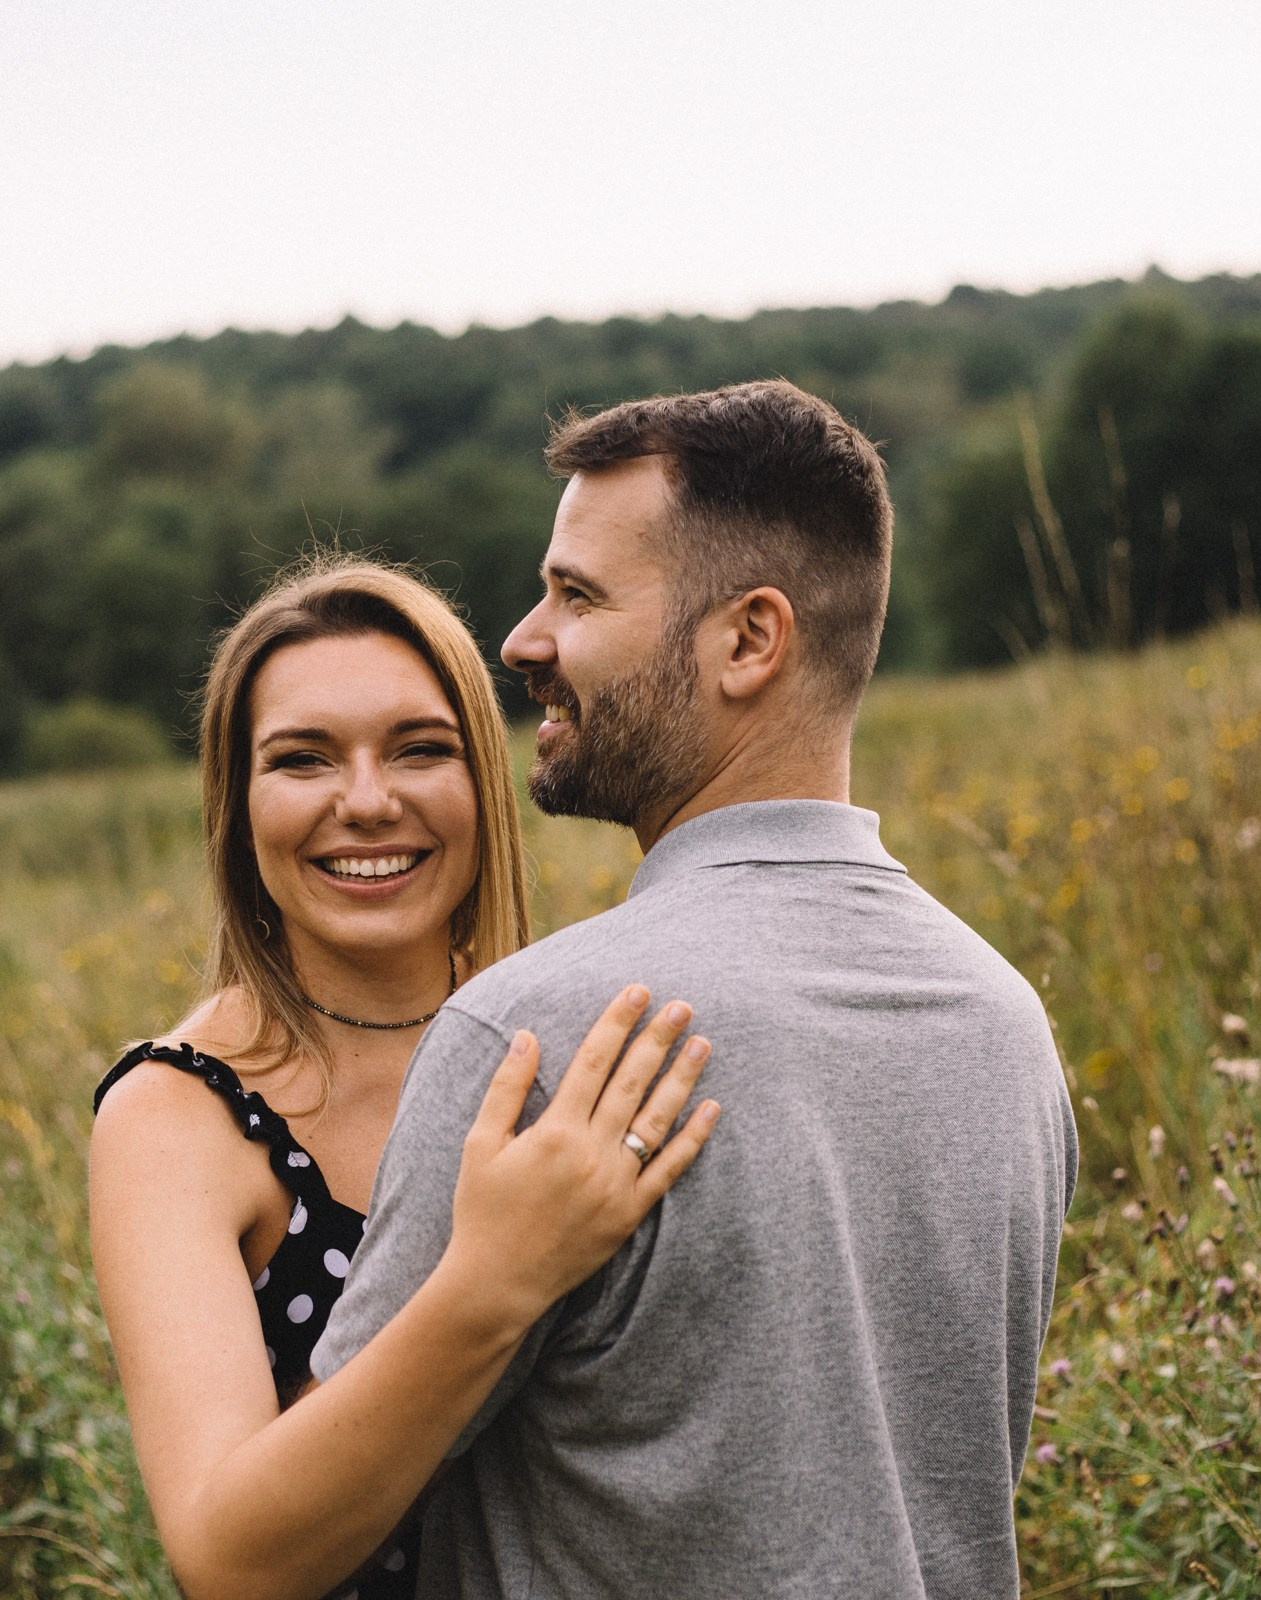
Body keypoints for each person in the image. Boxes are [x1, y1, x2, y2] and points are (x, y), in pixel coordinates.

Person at [312, 381, 1080, 1599]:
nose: (522, 639)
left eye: (579, 595)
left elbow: (314, 1530)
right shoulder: (1003, 1024)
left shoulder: (542, 1035)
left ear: (748, 641)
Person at [87, 556, 720, 1600]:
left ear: (482, 780)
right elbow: (228, 1559)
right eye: (303, 760)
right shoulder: (177, 1115)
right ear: (237, 806)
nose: (369, 802)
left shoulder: (577, 1040)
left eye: (421, 749)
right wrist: (494, 1278)